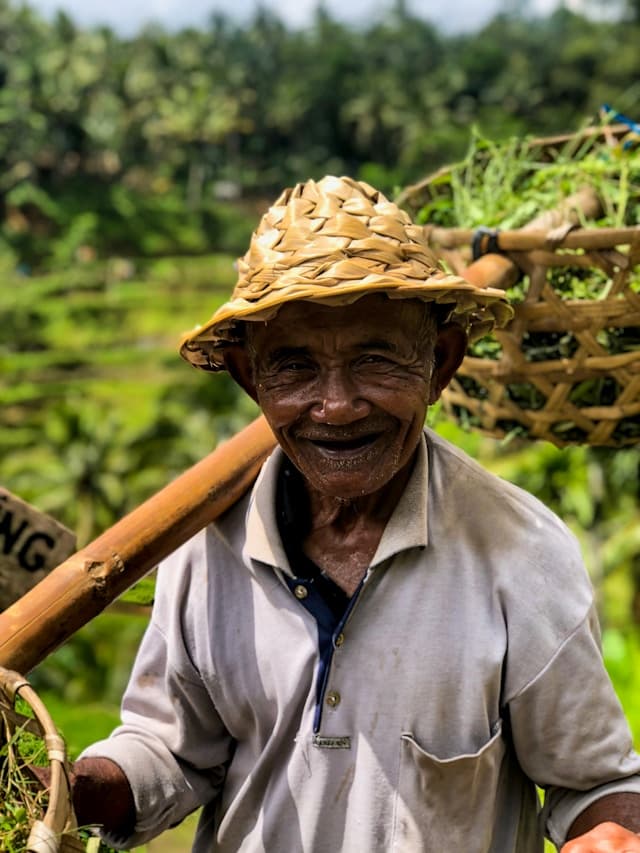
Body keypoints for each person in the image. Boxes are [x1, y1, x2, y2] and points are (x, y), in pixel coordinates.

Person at [73, 176, 640, 852]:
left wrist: (611, 832)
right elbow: (170, 750)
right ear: (249, 377)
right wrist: (62, 784)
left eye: (376, 359)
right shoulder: (205, 547)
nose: (337, 404)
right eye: (295, 366)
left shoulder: (521, 553)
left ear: (442, 363)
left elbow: (597, 782)